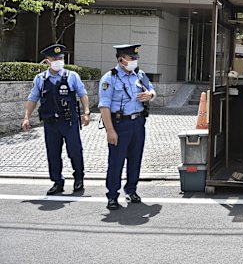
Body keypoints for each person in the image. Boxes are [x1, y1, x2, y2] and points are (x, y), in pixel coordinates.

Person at [22, 44, 90, 195]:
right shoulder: (40, 79)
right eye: (55, 58)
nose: (58, 60)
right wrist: (26, 117)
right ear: (47, 61)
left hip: (69, 121)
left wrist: (86, 112)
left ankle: (79, 178)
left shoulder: (72, 76)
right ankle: (57, 182)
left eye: (61, 58)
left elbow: (83, 94)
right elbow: (32, 99)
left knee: (75, 151)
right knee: (53, 153)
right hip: (50, 123)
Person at [98, 44, 156, 210]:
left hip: (138, 123)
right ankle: (112, 195)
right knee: (116, 161)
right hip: (119, 124)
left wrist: (149, 95)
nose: (135, 61)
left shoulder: (140, 74)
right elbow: (104, 106)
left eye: (136, 58)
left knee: (135, 159)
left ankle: (131, 190)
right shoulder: (109, 79)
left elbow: (152, 90)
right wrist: (110, 130)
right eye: (132, 58)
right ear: (121, 60)